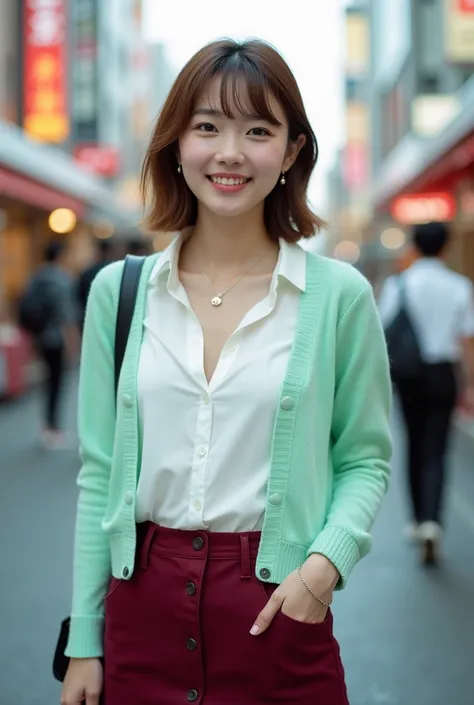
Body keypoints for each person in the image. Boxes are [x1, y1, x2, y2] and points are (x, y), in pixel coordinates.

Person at [61, 39, 392, 705]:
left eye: (258, 130)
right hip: (140, 610)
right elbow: (100, 475)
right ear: (176, 145)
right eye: (207, 126)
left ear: (293, 151)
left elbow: (364, 457)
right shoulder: (118, 293)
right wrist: (85, 640)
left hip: (278, 610)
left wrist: (324, 566)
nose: (230, 152)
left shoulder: (338, 295)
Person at [378, 221, 474, 565]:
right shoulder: (459, 286)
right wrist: (470, 385)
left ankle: (418, 520)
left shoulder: (398, 284)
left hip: (409, 375)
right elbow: (466, 341)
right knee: (437, 447)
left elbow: (382, 330)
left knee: (415, 444)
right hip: (443, 373)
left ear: (415, 247)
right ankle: (433, 520)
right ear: (446, 247)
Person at [30, 240, 79, 449]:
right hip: (57, 338)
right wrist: (73, 342)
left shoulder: (37, 276)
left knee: (48, 382)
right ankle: (53, 428)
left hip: (40, 336)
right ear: (59, 256)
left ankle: (46, 426)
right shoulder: (62, 279)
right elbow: (67, 314)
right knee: (57, 383)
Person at [76, 240, 115, 330]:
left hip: (88, 318)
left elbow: (79, 298)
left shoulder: (87, 272)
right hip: (109, 319)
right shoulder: (116, 273)